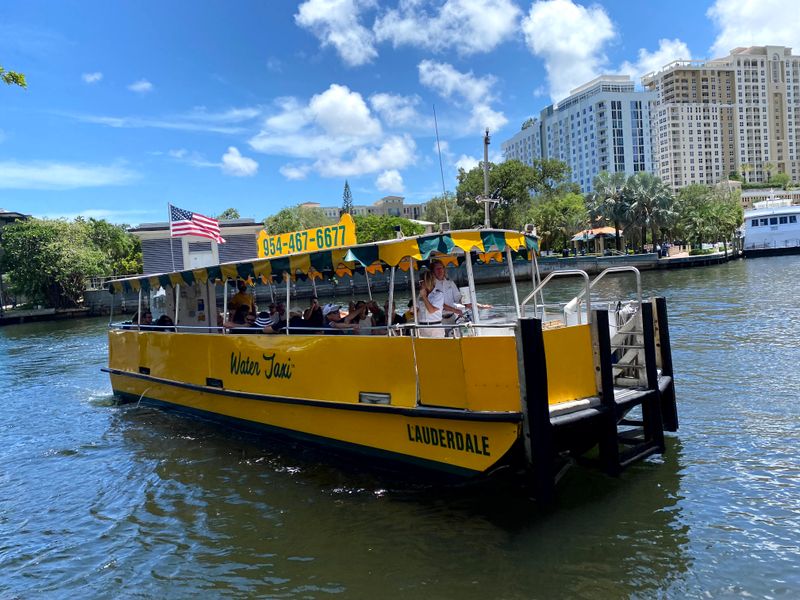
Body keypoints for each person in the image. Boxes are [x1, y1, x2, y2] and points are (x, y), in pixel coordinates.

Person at [431, 259, 463, 329]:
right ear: (433, 271)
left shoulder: (450, 283)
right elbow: (438, 304)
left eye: (441, 268)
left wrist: (465, 303)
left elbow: (458, 298)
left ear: (444, 269)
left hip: (452, 318)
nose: (440, 270)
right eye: (437, 269)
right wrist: (456, 310)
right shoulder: (431, 285)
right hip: (439, 319)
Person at [416, 270, 445, 338]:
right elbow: (416, 309)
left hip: (435, 328)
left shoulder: (438, 294)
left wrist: (424, 297)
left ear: (427, 281)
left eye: (421, 282)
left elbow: (431, 310)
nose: (420, 284)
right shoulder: (420, 295)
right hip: (422, 327)